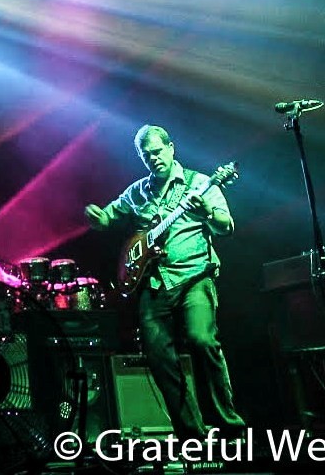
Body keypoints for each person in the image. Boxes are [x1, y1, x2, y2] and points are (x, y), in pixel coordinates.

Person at [84, 124, 244, 441]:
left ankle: (230, 428)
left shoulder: (201, 183)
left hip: (194, 276)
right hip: (154, 284)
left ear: (171, 148)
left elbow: (226, 227)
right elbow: (109, 216)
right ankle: (192, 436)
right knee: (158, 356)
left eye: (157, 151)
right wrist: (98, 218)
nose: (153, 158)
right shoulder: (138, 191)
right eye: (146, 156)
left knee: (201, 340)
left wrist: (207, 212)